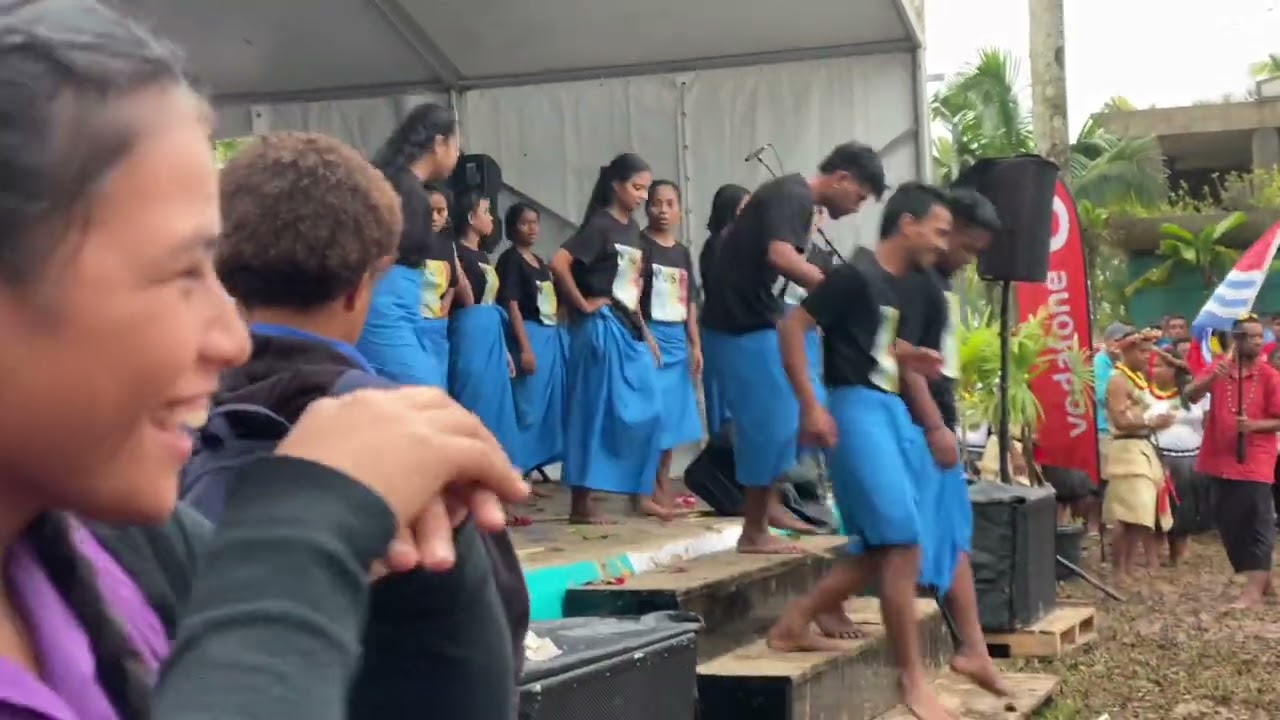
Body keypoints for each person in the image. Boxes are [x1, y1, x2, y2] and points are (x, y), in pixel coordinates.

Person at [0, 4, 529, 719]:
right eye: (181, 272)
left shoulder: (119, 549)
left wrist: (427, 591)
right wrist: (300, 542)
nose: (232, 340)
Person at [214, 132, 529, 717]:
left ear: (226, 273)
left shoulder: (171, 428)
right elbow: (503, 640)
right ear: (367, 280)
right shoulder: (410, 433)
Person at [766, 182, 951, 720]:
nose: (942, 244)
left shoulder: (904, 287)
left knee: (883, 543)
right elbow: (793, 326)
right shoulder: (854, 276)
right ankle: (911, 680)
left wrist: (910, 360)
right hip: (854, 408)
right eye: (938, 232)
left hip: (890, 410)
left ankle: (794, 622)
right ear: (908, 224)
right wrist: (810, 405)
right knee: (901, 541)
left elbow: (878, 347)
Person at [700, 142, 886, 553]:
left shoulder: (795, 199)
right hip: (737, 326)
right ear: (842, 178)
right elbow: (781, 256)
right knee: (775, 421)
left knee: (806, 410)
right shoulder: (792, 195)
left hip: (756, 322)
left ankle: (767, 505)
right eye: (858, 197)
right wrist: (838, 291)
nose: (856, 208)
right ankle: (754, 530)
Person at [891, 186, 1009, 697]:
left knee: (951, 533)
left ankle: (973, 646)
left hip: (932, 418)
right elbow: (906, 362)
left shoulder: (935, 285)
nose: (967, 259)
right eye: (965, 246)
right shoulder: (917, 284)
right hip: (916, 423)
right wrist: (935, 426)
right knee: (903, 540)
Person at [549, 153, 663, 524]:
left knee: (650, 407)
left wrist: (646, 333)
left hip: (628, 328)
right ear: (616, 185)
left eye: (646, 189)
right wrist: (582, 303)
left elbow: (632, 288)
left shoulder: (633, 231)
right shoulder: (599, 225)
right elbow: (559, 262)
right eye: (637, 187)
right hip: (600, 327)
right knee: (592, 410)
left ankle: (638, 493)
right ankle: (581, 502)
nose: (643, 196)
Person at [357, 103, 474, 387]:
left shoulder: (393, 184)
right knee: (422, 391)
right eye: (455, 146)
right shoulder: (404, 192)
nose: (458, 154)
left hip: (399, 308)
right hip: (385, 308)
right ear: (439, 143)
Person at [1185, 313, 1280, 609]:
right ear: (1234, 339)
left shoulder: (1270, 376)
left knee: (1257, 522)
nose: (1258, 341)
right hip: (1218, 460)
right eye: (1251, 336)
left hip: (1255, 461)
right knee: (1228, 523)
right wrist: (1212, 376)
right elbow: (1189, 395)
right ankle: (1262, 579)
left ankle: (1252, 590)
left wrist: (1254, 426)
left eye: (1260, 336)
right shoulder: (1219, 368)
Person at [641, 181, 704, 516]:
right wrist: (643, 334)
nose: (663, 210)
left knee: (673, 422)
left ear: (679, 209)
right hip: (650, 338)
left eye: (669, 204)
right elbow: (631, 294)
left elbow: (689, 300)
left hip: (677, 340)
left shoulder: (681, 253)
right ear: (646, 207)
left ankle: (662, 484)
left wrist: (695, 343)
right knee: (652, 419)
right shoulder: (640, 245)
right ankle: (644, 490)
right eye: (656, 203)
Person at [448, 191, 522, 462]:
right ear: (471, 217)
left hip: (491, 333)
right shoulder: (456, 252)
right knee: (474, 395)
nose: (491, 218)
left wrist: (504, 350)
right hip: (469, 333)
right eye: (486, 212)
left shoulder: (483, 256)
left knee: (496, 401)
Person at [497, 202, 567, 479]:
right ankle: (516, 468)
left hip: (549, 337)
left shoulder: (539, 261)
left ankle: (535, 464)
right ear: (513, 227)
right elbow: (511, 303)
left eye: (535, 222)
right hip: (528, 335)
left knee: (549, 406)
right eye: (524, 223)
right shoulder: (510, 260)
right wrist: (525, 347)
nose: (532, 228)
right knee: (527, 405)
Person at [1101, 326, 1175, 580]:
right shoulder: (1117, 379)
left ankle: (1129, 567)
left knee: (1140, 515)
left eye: (1148, 351)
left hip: (1143, 447)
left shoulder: (1138, 378)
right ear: (1128, 351)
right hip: (1127, 451)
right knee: (1126, 514)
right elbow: (1120, 420)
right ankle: (1119, 570)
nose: (1147, 356)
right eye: (1142, 352)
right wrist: (1151, 421)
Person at [1148, 349, 1210, 566]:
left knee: (1185, 506)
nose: (1155, 370)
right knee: (1158, 507)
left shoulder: (1196, 395)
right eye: (1153, 365)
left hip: (1190, 459)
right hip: (1159, 457)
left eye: (1161, 366)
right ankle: (1154, 555)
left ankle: (1178, 552)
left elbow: (1208, 423)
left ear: (1175, 369)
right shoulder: (1145, 393)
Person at [698, 183, 751, 439]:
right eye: (743, 208)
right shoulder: (717, 246)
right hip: (721, 331)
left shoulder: (737, 246)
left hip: (733, 332)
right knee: (723, 402)